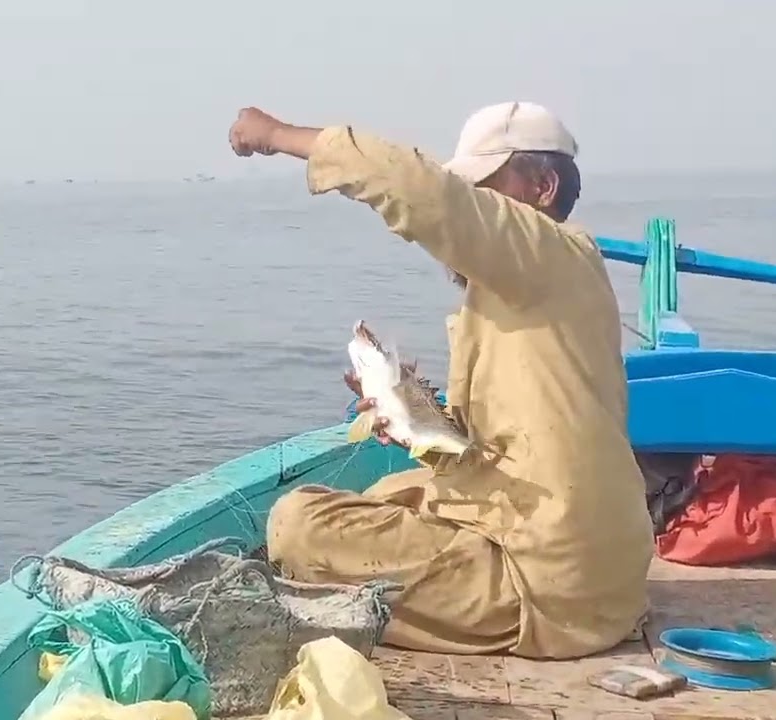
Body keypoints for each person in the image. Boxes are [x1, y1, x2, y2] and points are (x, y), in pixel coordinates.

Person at [228, 102, 653, 660]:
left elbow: (419, 190)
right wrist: (414, 419)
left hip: (550, 587)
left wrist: (277, 135)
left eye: (482, 192)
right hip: (594, 564)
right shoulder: (532, 287)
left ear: (543, 188)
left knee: (296, 524)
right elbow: (501, 455)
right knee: (389, 493)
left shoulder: (552, 253)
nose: (469, 211)